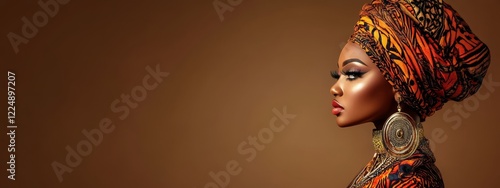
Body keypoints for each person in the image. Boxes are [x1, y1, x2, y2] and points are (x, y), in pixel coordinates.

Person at [329, 0, 490, 187]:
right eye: (337, 75)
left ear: (401, 83)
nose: (334, 88)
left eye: (353, 74)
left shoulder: (413, 180)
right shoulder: (385, 166)